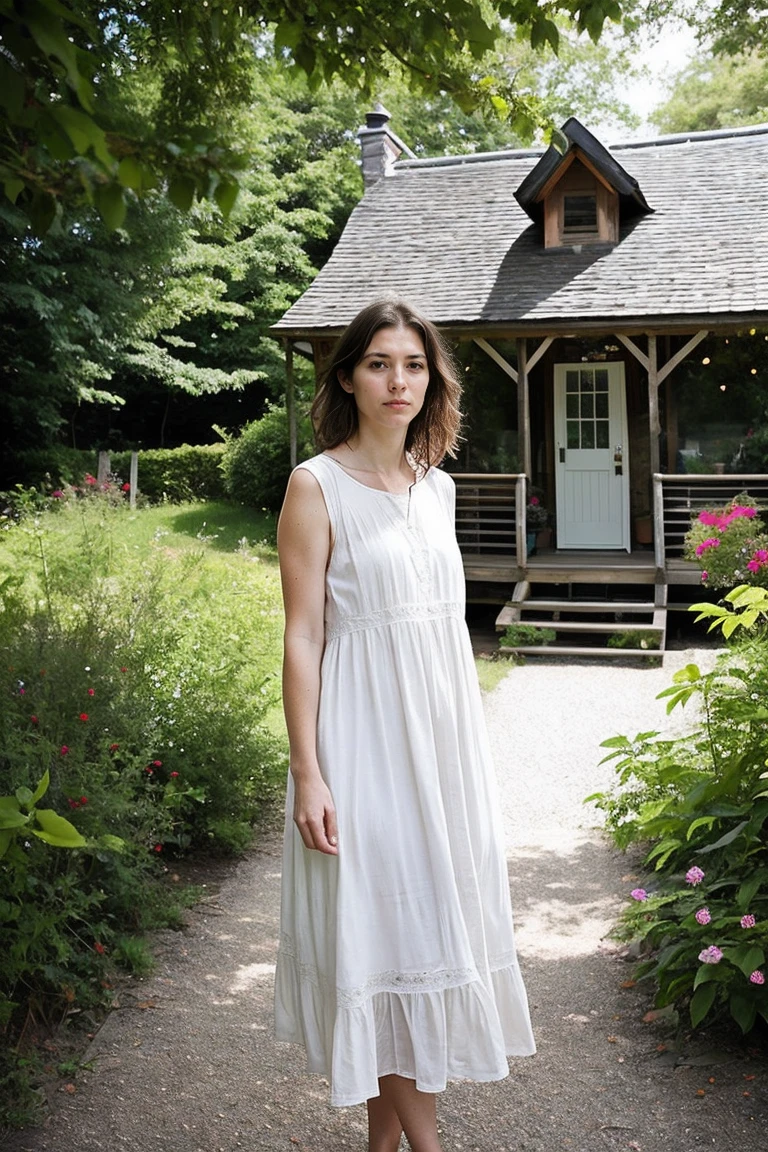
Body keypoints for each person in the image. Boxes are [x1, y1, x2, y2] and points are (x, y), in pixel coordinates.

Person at [274, 298, 535, 1152]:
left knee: (425, 935)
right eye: (380, 363)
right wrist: (309, 771)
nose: (399, 380)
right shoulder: (315, 485)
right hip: (362, 744)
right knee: (390, 936)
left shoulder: (440, 486)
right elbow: (304, 633)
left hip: (440, 744)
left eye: (414, 364)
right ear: (348, 375)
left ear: (433, 378)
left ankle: (383, 1148)